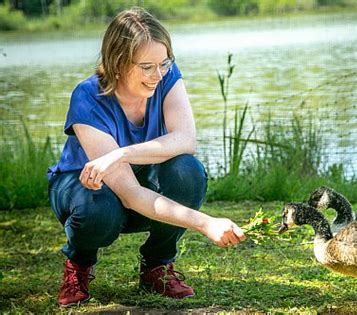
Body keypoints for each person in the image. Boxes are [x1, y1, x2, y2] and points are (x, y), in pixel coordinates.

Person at [47, 6, 246, 307]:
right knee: (98, 209)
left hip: (137, 178)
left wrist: (121, 154)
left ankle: (157, 266)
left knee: (187, 171)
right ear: (117, 63)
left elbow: (185, 140)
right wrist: (206, 223)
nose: (158, 75)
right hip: (84, 187)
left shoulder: (166, 76)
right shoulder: (87, 97)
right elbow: (130, 194)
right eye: (146, 67)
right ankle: (80, 264)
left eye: (164, 63)